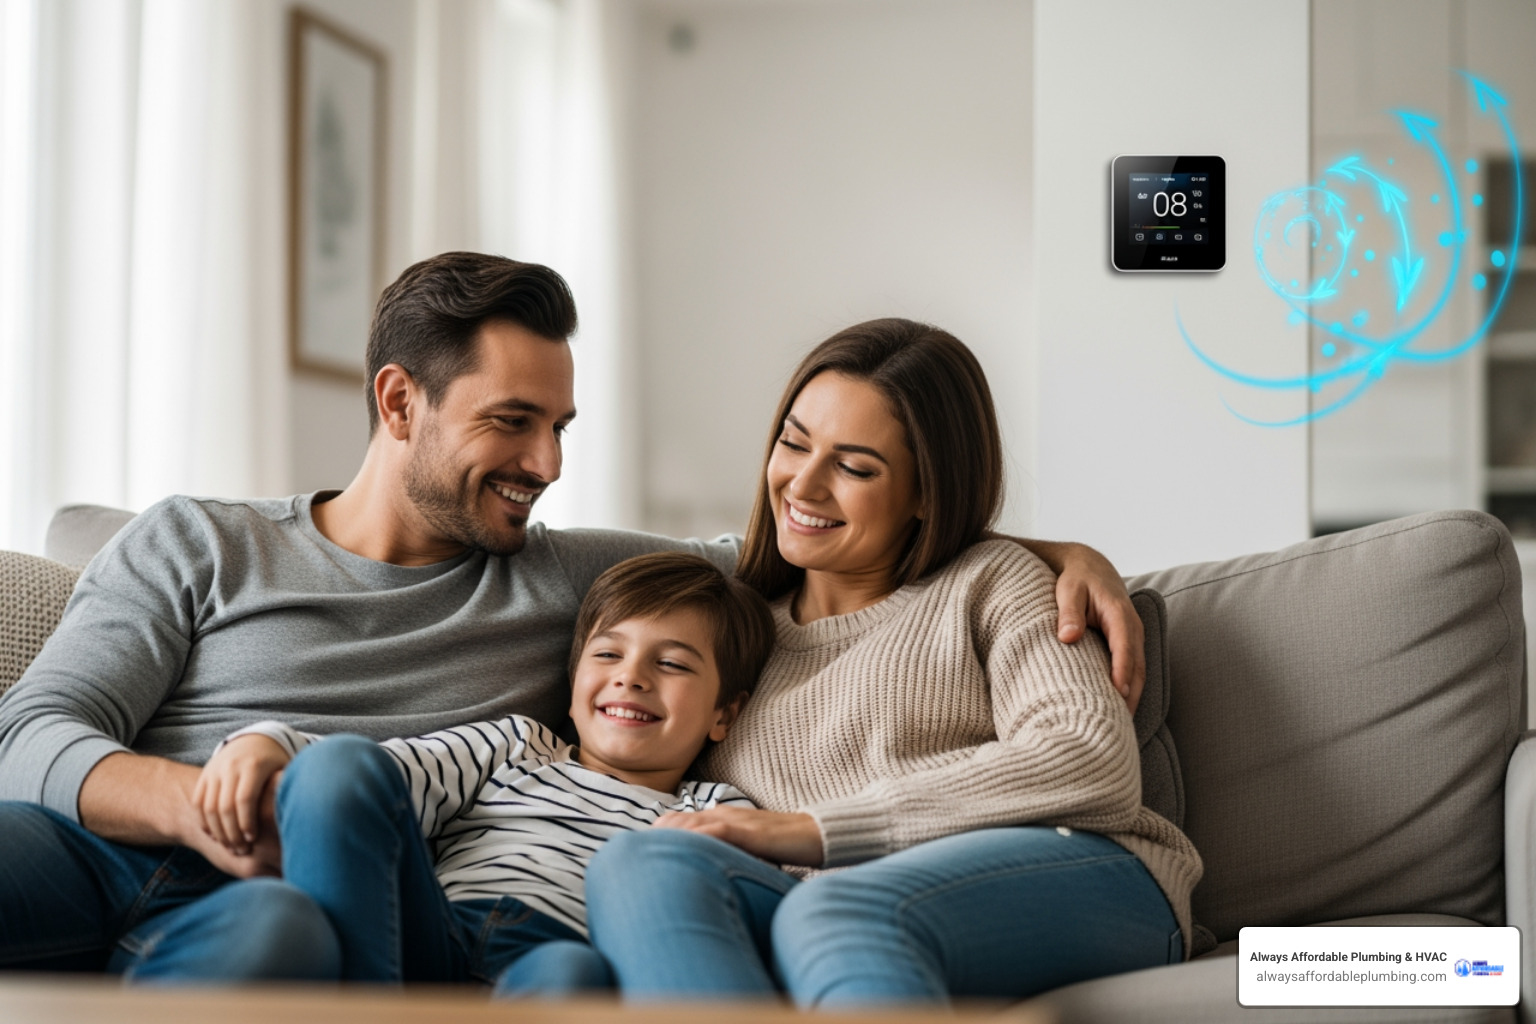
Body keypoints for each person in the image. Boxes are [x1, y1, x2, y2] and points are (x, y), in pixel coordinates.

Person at [0, 251, 1145, 982]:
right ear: (400, 402)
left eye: (561, 425)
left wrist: (1041, 551)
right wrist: (195, 801)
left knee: (285, 938)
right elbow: (32, 732)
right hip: (106, 842)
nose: (547, 463)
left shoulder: (571, 581)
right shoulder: (199, 537)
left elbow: (802, 551)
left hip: (300, 896)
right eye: (513, 422)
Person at [584, 318, 1203, 1008]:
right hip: (818, 908)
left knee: (839, 911)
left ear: (927, 492)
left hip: (1078, 875)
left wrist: (812, 830)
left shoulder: (993, 582)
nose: (804, 485)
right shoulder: (726, 634)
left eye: (853, 467)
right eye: (794, 443)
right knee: (643, 864)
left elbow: (1089, 757)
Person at [191, 552, 773, 993]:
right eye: (607, 654)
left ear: (724, 713)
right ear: (571, 689)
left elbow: (734, 902)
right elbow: (383, 779)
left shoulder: (716, 808)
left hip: (557, 964)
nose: (631, 676)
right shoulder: (516, 745)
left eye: (670, 663)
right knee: (335, 767)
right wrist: (269, 740)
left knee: (566, 970)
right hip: (424, 938)